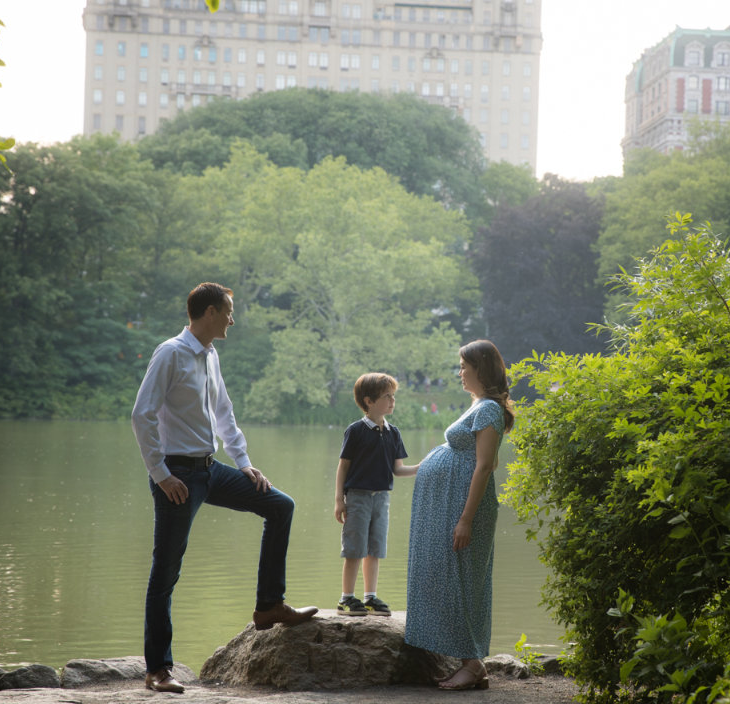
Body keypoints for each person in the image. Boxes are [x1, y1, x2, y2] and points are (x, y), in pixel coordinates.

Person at [131, 282, 317, 694]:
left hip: (210, 470)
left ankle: (269, 605)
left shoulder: (210, 355)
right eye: (229, 312)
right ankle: (157, 670)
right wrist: (161, 474)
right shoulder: (171, 353)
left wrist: (246, 465)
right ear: (211, 312)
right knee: (166, 571)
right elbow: (141, 415)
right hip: (177, 477)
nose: (233, 319)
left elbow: (224, 414)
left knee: (280, 505)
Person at [403, 339, 516, 690]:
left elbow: (485, 467)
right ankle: (467, 661)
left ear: (480, 368)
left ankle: (473, 665)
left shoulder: (489, 410)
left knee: (460, 579)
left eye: (464, 366)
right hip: (450, 503)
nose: (460, 372)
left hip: (463, 506)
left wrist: (466, 518)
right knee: (442, 574)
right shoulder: (479, 405)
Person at [334, 372, 419, 617]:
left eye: (393, 396)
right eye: (386, 396)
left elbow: (398, 469)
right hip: (358, 497)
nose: (392, 401)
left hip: (382, 498)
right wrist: (340, 499)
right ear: (369, 401)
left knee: (375, 548)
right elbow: (344, 466)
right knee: (354, 549)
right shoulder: (356, 430)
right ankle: (346, 598)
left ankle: (370, 596)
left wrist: (423, 468)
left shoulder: (393, 433)